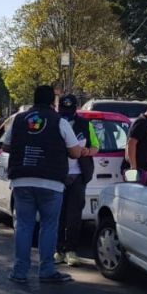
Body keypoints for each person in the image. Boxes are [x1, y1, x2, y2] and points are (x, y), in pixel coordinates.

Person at [1, 86, 91, 284]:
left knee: (23, 226)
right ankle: (47, 270)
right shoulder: (60, 121)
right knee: (49, 226)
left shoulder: (19, 119)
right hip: (50, 182)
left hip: (21, 179)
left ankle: (19, 272)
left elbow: (6, 146)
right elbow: (75, 153)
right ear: (53, 102)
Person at [55, 94, 100, 266]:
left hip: (79, 175)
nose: (66, 113)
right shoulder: (54, 123)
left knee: (74, 216)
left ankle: (71, 250)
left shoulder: (85, 124)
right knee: (57, 215)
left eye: (69, 109)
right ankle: (58, 250)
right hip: (58, 175)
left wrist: (87, 151)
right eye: (63, 110)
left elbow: (96, 146)